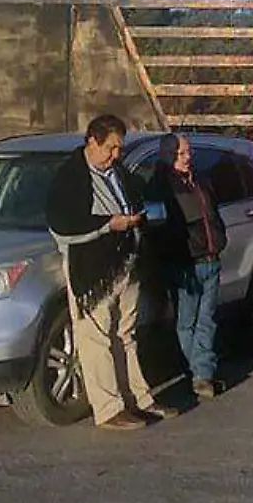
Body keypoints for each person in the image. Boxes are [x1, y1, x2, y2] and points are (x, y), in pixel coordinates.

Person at [45, 114, 177, 431]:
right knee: (96, 337)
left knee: (126, 334)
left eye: (119, 148)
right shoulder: (69, 177)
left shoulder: (118, 173)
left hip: (126, 263)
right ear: (92, 141)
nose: (115, 155)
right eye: (110, 148)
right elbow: (62, 226)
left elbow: (134, 198)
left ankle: (139, 399)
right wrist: (108, 224)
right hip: (92, 270)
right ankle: (109, 408)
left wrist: (138, 218)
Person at [148, 133, 227, 401]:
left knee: (207, 320)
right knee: (187, 321)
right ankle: (199, 372)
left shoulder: (200, 181)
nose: (188, 157)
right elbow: (161, 226)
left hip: (211, 258)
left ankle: (202, 373)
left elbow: (213, 213)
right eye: (181, 153)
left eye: (188, 152)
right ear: (169, 154)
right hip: (186, 263)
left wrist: (219, 239)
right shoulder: (163, 186)